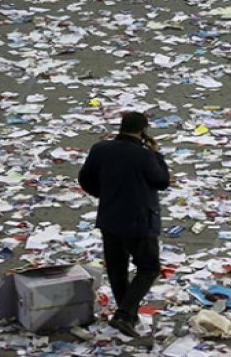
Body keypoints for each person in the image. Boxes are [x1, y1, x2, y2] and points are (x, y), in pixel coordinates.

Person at [78, 111, 170, 339]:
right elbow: (162, 181)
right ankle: (124, 314)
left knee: (117, 269)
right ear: (143, 130)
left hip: (110, 218)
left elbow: (85, 179)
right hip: (139, 221)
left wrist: (105, 195)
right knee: (148, 267)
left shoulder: (100, 149)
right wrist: (157, 155)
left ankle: (127, 315)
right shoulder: (144, 156)